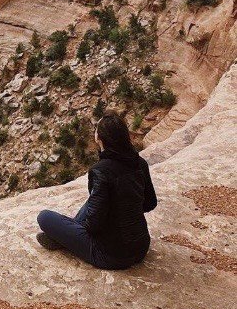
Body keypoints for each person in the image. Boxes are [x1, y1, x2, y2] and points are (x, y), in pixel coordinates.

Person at [36, 110, 157, 269]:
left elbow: (93, 225)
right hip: (140, 248)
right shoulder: (140, 163)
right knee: (92, 202)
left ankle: (63, 240)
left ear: (99, 138)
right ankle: (65, 237)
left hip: (110, 255)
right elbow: (149, 203)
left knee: (44, 217)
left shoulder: (100, 171)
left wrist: (77, 231)